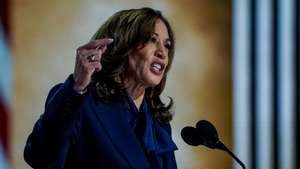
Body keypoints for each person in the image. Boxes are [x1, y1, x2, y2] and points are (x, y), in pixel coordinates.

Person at [24, 7, 177, 169]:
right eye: (152, 40)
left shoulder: (158, 124)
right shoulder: (80, 101)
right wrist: (76, 88)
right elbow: (39, 157)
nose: (163, 53)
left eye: (167, 45)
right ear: (123, 44)